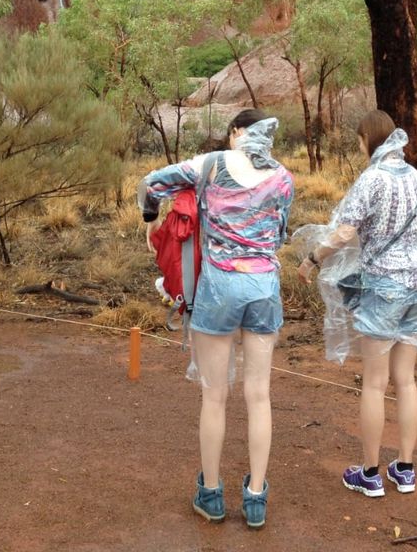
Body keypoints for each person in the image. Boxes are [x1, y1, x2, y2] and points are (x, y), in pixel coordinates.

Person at [138, 109, 294, 528]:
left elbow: (150, 183)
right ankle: (256, 497)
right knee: (258, 396)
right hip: (263, 287)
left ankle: (211, 493)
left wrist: (150, 213)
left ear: (236, 134)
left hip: (219, 288)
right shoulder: (283, 177)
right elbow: (280, 233)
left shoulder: (209, 165)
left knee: (214, 395)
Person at [297, 109, 417, 498]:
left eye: (360, 141)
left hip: (383, 287)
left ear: (369, 140)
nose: (359, 148)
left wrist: (312, 259)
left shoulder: (372, 179)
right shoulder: (415, 177)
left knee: (375, 384)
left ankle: (370, 473)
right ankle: (405, 470)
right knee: (406, 380)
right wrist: (411, 257)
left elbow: (344, 231)